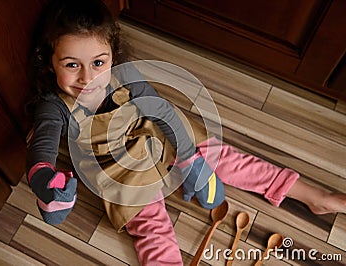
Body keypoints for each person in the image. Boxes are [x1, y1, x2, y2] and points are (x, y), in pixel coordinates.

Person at [25, 0, 346, 264]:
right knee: (153, 228)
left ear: (112, 55)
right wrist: (45, 181)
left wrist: (190, 157)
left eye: (98, 63)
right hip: (119, 169)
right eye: (71, 65)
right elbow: (42, 152)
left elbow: (160, 109)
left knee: (222, 157)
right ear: (50, 62)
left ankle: (315, 197)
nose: (87, 77)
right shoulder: (53, 106)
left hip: (154, 131)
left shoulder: (125, 75)